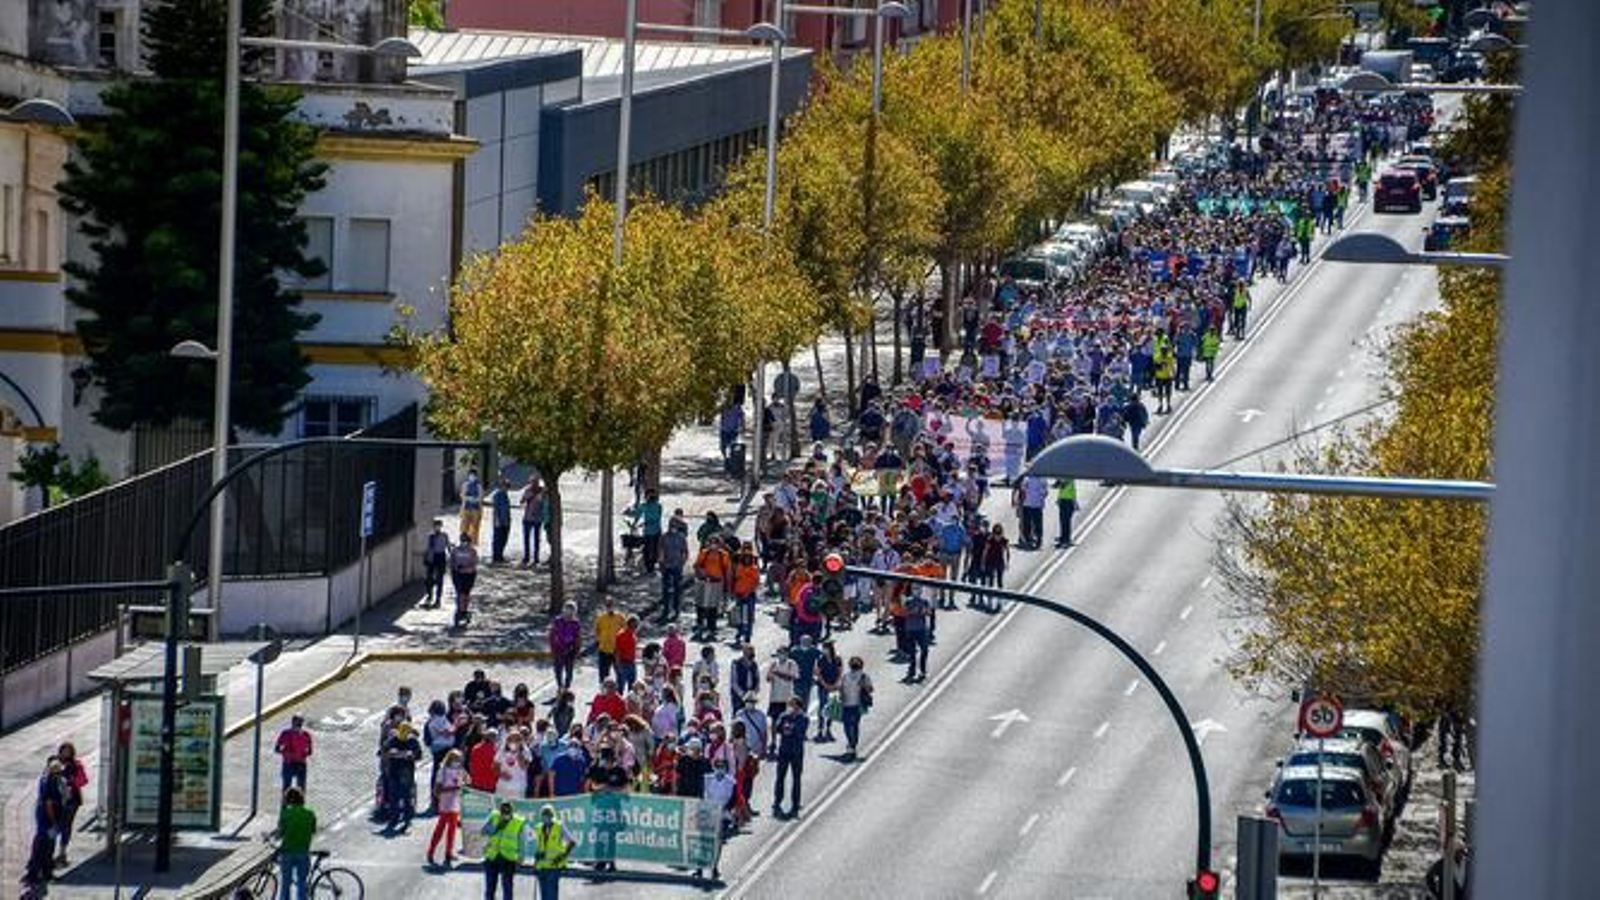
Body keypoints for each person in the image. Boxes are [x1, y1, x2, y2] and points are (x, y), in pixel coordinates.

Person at [22, 758, 62, 891]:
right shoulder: (51, 781)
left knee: (43, 845)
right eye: (58, 771)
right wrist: (54, 821)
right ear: (53, 770)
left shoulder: (46, 778)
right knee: (44, 846)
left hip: (43, 817)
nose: (60, 773)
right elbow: (49, 803)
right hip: (47, 819)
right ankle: (37, 874)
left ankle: (43, 873)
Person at [770, 697, 808, 819]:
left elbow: (799, 731)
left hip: (796, 752)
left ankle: (795, 804)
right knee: (780, 777)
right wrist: (787, 727)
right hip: (784, 751)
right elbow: (778, 728)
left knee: (796, 779)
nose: (790, 707)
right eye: (789, 705)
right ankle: (777, 801)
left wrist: (789, 728)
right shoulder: (784, 716)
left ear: (798, 706)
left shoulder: (804, 718)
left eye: (792, 705)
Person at [481, 799, 526, 900]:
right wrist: (496, 828)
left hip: (508, 858)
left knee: (507, 889)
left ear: (512, 812)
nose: (505, 815)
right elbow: (483, 831)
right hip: (492, 856)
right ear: (500, 811)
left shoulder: (518, 822)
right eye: (503, 813)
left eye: (507, 813)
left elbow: (522, 841)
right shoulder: (494, 816)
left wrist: (521, 858)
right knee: (490, 889)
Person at [277, 786, 317, 900]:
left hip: (287, 852)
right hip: (303, 852)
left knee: (285, 883)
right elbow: (313, 830)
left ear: (288, 800)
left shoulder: (285, 814)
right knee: (301, 883)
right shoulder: (310, 814)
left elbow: (280, 833)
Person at [428, 749, 466, 868]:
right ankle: (431, 850)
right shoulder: (442, 771)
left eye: (459, 760)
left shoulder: (460, 771)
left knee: (452, 829)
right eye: (456, 760)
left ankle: (448, 852)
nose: (458, 762)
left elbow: (468, 781)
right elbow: (437, 790)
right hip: (445, 802)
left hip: (455, 802)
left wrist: (463, 784)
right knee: (441, 828)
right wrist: (453, 789)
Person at [382, 720, 422, 830]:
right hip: (394, 771)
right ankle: (394, 818)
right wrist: (390, 753)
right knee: (394, 796)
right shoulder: (393, 739)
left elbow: (419, 756)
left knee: (406, 796)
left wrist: (411, 755)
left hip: (407, 773)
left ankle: (407, 819)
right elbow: (383, 752)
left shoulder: (413, 741)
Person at [693, 536, 732, 642]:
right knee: (700, 604)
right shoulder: (704, 553)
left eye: (715, 543)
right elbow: (696, 565)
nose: (713, 545)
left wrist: (728, 587)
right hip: (703, 582)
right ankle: (700, 623)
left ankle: (711, 627)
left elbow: (728, 571)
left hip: (716, 583)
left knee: (713, 606)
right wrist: (701, 572)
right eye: (711, 542)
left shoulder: (723, 555)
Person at [532, 803, 575, 898]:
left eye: (548, 815)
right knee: (544, 895)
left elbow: (572, 842)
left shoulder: (559, 826)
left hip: (554, 866)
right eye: (544, 815)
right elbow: (539, 846)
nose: (546, 817)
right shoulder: (538, 828)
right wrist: (535, 862)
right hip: (541, 866)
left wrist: (562, 856)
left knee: (551, 895)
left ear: (552, 815)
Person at [55, 742, 86, 865]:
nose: (66, 753)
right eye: (64, 750)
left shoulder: (76, 765)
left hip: (72, 800)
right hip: (56, 799)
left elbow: (83, 780)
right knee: (56, 824)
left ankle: (62, 852)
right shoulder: (55, 763)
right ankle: (52, 852)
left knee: (66, 826)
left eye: (68, 751)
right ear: (60, 751)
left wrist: (72, 781)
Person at [839, 657, 873, 760]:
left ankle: (851, 746)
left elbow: (870, 689)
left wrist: (863, 686)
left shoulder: (861, 676)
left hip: (853, 705)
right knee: (851, 726)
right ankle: (852, 745)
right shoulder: (849, 676)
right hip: (850, 705)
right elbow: (841, 688)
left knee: (850, 726)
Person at [660, 513, 690, 623]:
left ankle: (676, 610)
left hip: (677, 567)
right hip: (666, 567)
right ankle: (666, 610)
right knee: (665, 590)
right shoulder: (664, 537)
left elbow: (685, 552)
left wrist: (682, 563)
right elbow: (661, 552)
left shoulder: (681, 538)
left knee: (677, 590)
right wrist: (662, 564)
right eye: (671, 524)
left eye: (675, 524)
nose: (672, 526)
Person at [274, 714, 314, 794]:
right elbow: (310, 752)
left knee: (287, 787)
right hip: (299, 763)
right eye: (299, 723)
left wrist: (286, 753)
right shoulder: (306, 735)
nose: (299, 724)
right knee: (300, 788)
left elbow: (277, 749)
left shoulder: (285, 733)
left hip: (290, 763)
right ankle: (298, 805)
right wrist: (302, 754)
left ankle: (285, 805)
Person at [627, 489, 664, 573]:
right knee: (649, 549)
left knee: (651, 549)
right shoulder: (649, 506)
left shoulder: (655, 506)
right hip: (650, 531)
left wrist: (638, 523)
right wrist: (634, 522)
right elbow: (637, 514)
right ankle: (650, 566)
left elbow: (655, 518)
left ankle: (651, 565)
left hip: (653, 531)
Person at [813, 641, 843, 742]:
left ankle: (828, 729)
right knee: (822, 707)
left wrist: (836, 684)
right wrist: (825, 684)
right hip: (823, 686)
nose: (824, 650)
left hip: (834, 686)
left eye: (825, 648)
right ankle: (820, 729)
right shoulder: (820, 660)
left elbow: (840, 671)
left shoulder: (837, 659)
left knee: (832, 707)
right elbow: (818, 673)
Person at [902, 589, 933, 683]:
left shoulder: (925, 601)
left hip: (921, 629)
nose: (917, 592)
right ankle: (912, 670)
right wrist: (912, 611)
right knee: (912, 652)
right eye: (915, 590)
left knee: (925, 650)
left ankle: (922, 669)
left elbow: (929, 613)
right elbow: (904, 613)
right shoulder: (908, 601)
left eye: (918, 590)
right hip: (910, 629)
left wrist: (924, 611)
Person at [549, 602, 580, 693]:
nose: (569, 614)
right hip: (558, 650)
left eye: (571, 612)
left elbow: (578, 637)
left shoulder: (576, 623)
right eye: (567, 611)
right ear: (564, 611)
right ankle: (560, 686)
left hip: (570, 650)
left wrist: (577, 650)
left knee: (569, 671)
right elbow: (552, 634)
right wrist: (552, 648)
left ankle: (567, 687)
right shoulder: (557, 620)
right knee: (558, 670)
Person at [594, 600, 627, 685]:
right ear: (605, 607)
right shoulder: (600, 618)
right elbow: (597, 630)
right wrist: (600, 640)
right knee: (603, 674)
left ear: (614, 606)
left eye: (611, 605)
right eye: (608, 606)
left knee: (619, 672)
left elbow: (625, 631)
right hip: (604, 649)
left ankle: (620, 692)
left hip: (617, 650)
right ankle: (603, 691)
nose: (610, 608)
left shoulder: (620, 617)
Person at [449, 534, 479, 627]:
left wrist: (466, 568)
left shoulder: (472, 551)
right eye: (463, 541)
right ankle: (460, 610)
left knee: (466, 593)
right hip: (458, 575)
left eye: (466, 542)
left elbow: (474, 564)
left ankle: (464, 610)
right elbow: (451, 562)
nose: (464, 543)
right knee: (460, 593)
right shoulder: (456, 550)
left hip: (469, 575)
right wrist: (456, 568)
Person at [423, 519, 450, 608]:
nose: (437, 527)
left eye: (438, 526)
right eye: (435, 526)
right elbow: (427, 548)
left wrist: (451, 557)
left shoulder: (444, 535)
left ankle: (438, 599)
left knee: (440, 579)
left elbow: (448, 546)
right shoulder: (431, 536)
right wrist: (426, 558)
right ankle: (429, 596)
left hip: (441, 556)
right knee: (428, 578)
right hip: (432, 557)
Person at [521, 475, 545, 568]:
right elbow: (522, 501)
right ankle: (526, 557)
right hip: (527, 518)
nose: (534, 484)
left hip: (537, 519)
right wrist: (528, 496)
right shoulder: (528, 490)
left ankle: (536, 558)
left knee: (536, 539)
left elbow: (545, 502)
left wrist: (541, 496)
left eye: (535, 482)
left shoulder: (542, 490)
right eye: (532, 482)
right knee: (526, 539)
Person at [490, 477, 513, 564]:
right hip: (499, 521)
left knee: (504, 539)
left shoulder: (505, 495)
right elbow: (496, 509)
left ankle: (500, 556)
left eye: (507, 486)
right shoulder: (497, 495)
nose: (507, 488)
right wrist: (497, 520)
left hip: (506, 521)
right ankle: (496, 557)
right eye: (506, 486)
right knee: (497, 539)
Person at [615, 616, 640, 691]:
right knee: (620, 687)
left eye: (636, 626)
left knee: (632, 687)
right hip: (623, 663)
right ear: (629, 624)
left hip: (632, 662)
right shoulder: (621, 635)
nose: (636, 628)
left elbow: (634, 649)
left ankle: (630, 702)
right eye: (634, 625)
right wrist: (618, 665)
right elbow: (617, 651)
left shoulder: (633, 635)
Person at [460, 468, 483, 543]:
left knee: (475, 526)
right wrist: (468, 498)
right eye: (470, 475)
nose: (472, 476)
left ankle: (473, 541)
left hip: (476, 508)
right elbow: (462, 495)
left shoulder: (478, 485)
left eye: (473, 475)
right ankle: (463, 540)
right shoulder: (465, 484)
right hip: (466, 508)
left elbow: (480, 497)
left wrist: (475, 499)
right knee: (464, 526)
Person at [1054, 479, 1078, 549]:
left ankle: (1066, 539)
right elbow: (1061, 491)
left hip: (1068, 502)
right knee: (1062, 521)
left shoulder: (1069, 481)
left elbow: (1073, 493)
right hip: (1063, 502)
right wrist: (1059, 499)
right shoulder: (1064, 481)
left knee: (1066, 522)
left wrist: (1074, 503)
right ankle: (1063, 537)